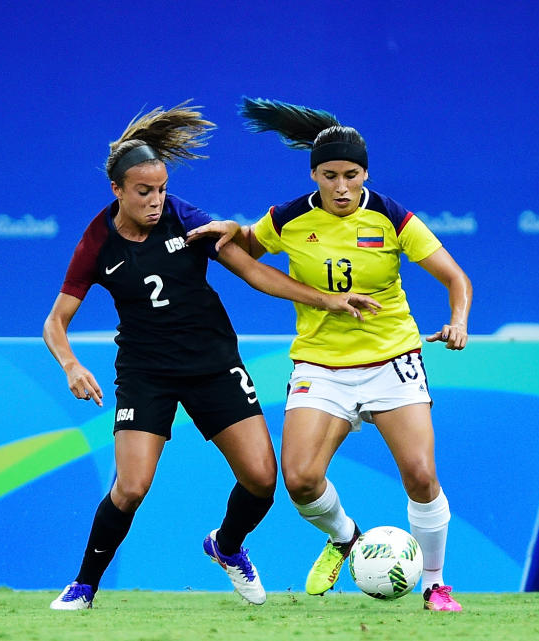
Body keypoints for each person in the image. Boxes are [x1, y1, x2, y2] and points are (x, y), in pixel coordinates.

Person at [42, 101, 380, 610]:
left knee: (263, 480)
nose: (157, 200)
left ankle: (225, 546)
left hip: (212, 364)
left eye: (160, 188)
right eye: (143, 192)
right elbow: (55, 323)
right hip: (146, 372)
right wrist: (70, 363)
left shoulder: (184, 219)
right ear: (117, 190)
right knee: (131, 487)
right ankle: (84, 585)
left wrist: (327, 300)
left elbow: (253, 271)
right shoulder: (96, 242)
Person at [187, 97, 473, 611]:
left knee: (422, 476)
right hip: (320, 366)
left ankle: (435, 584)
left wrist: (458, 320)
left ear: (365, 172)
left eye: (352, 174)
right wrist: (232, 231)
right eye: (330, 175)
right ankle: (347, 539)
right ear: (314, 174)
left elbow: (456, 278)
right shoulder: (290, 218)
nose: (342, 187)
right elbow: (247, 253)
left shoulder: (392, 218)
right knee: (298, 480)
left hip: (392, 361)